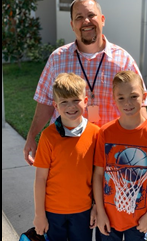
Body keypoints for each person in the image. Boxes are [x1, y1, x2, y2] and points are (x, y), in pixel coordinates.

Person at [23, 0, 147, 166]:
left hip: (111, 152)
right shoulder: (57, 59)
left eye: (91, 15)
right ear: (72, 25)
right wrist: (31, 137)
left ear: (102, 20)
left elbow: (138, 104)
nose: (86, 21)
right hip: (66, 149)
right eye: (79, 17)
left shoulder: (123, 60)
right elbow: (45, 102)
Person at [93, 71, 147, 241]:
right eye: (121, 98)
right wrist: (100, 211)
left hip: (140, 220)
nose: (127, 102)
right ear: (114, 100)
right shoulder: (105, 133)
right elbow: (98, 175)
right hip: (108, 218)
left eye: (133, 96)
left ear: (144, 96)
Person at [33, 73, 100, 240]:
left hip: (83, 211)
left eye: (75, 100)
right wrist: (39, 215)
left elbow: (99, 176)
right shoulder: (48, 136)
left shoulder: (96, 134)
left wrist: (97, 206)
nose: (71, 106)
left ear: (85, 101)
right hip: (53, 211)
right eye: (64, 102)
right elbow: (40, 178)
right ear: (56, 106)